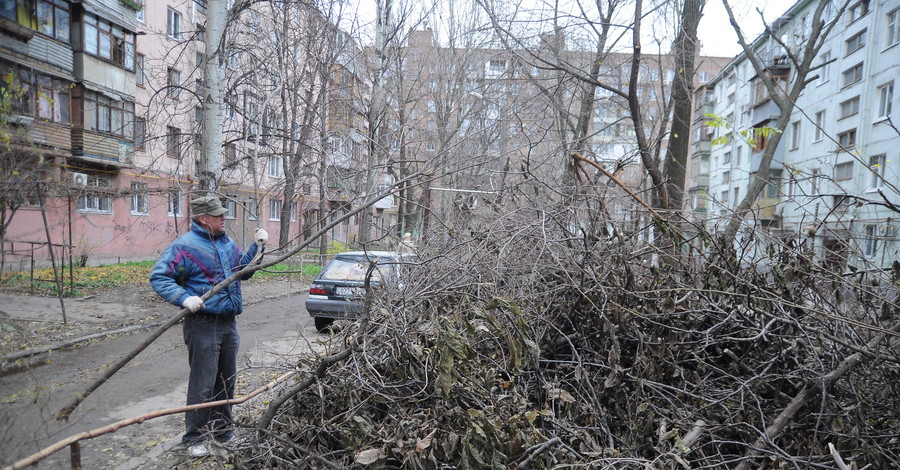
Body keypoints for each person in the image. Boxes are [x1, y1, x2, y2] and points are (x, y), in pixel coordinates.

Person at [149, 194, 268, 457]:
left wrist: (258, 247)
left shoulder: (225, 242)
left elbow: (243, 271)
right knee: (203, 383)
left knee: (226, 380)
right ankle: (194, 437)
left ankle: (223, 430)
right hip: (202, 324)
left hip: (228, 323)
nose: (224, 218)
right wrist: (183, 298)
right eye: (219, 215)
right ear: (204, 219)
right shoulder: (185, 246)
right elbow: (159, 277)